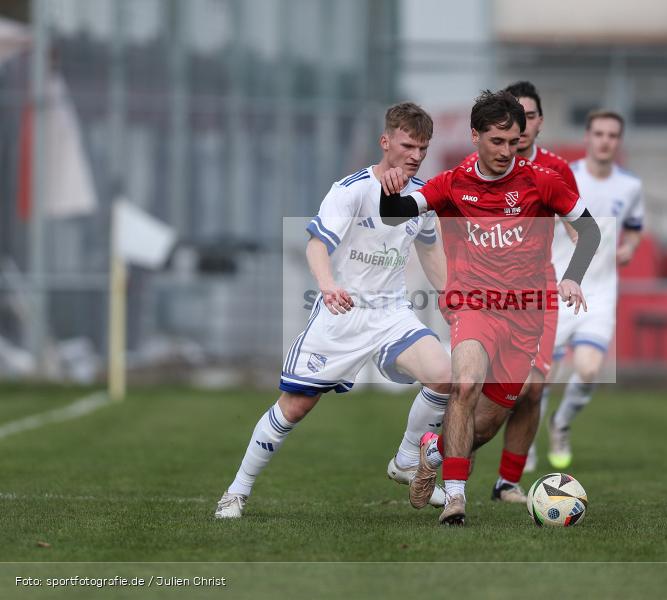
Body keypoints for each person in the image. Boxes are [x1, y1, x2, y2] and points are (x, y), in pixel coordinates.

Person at [215, 102, 451, 518]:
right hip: (341, 315)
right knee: (294, 408)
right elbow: (316, 244)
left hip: (391, 313)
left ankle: (406, 462)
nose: (415, 155)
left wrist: (450, 296)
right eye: (408, 145)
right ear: (385, 141)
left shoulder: (422, 196)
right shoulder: (352, 189)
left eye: (423, 148)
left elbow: (430, 249)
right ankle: (236, 491)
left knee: (444, 376)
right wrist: (327, 286)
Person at [379, 90, 602, 525]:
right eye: (496, 141)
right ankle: (457, 499)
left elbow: (589, 231)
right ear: (475, 136)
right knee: (464, 385)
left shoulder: (540, 182)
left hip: (525, 318)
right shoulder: (452, 182)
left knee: (484, 427)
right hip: (474, 305)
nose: (506, 151)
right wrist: (391, 188)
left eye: (514, 141)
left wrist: (572, 275)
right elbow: (394, 214)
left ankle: (433, 451)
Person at [546, 109, 645, 470]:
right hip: (559, 287)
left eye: (613, 135)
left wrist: (630, 247)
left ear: (619, 141)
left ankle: (560, 424)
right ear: (587, 137)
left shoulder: (630, 186)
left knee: (588, 370)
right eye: (599, 133)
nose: (605, 141)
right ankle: (522, 452)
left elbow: (634, 226)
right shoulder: (564, 177)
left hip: (600, 293)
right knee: (541, 378)